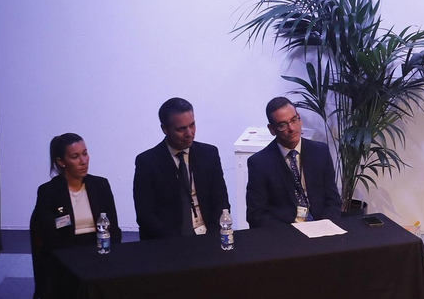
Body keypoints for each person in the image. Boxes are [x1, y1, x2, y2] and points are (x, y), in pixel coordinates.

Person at [28, 133, 121, 299]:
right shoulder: (48, 192)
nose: (83, 161)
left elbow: (115, 229)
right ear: (61, 162)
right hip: (66, 256)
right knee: (69, 286)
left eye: (85, 153)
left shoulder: (100, 185)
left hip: (99, 251)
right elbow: (49, 239)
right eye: (75, 156)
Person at [132, 97, 230, 239]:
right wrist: (178, 242)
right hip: (169, 241)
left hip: (209, 234)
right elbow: (145, 216)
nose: (189, 133)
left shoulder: (209, 154)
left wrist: (212, 236)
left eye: (192, 125)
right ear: (165, 129)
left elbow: (221, 201)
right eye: (181, 129)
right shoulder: (147, 163)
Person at [246, 96, 343, 227]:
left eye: (294, 120)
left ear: (299, 119)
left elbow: (333, 200)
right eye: (282, 125)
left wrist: (324, 226)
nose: (291, 128)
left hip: (322, 227)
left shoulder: (320, 152)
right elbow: (256, 215)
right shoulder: (259, 163)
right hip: (286, 235)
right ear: (272, 129)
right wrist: (291, 234)